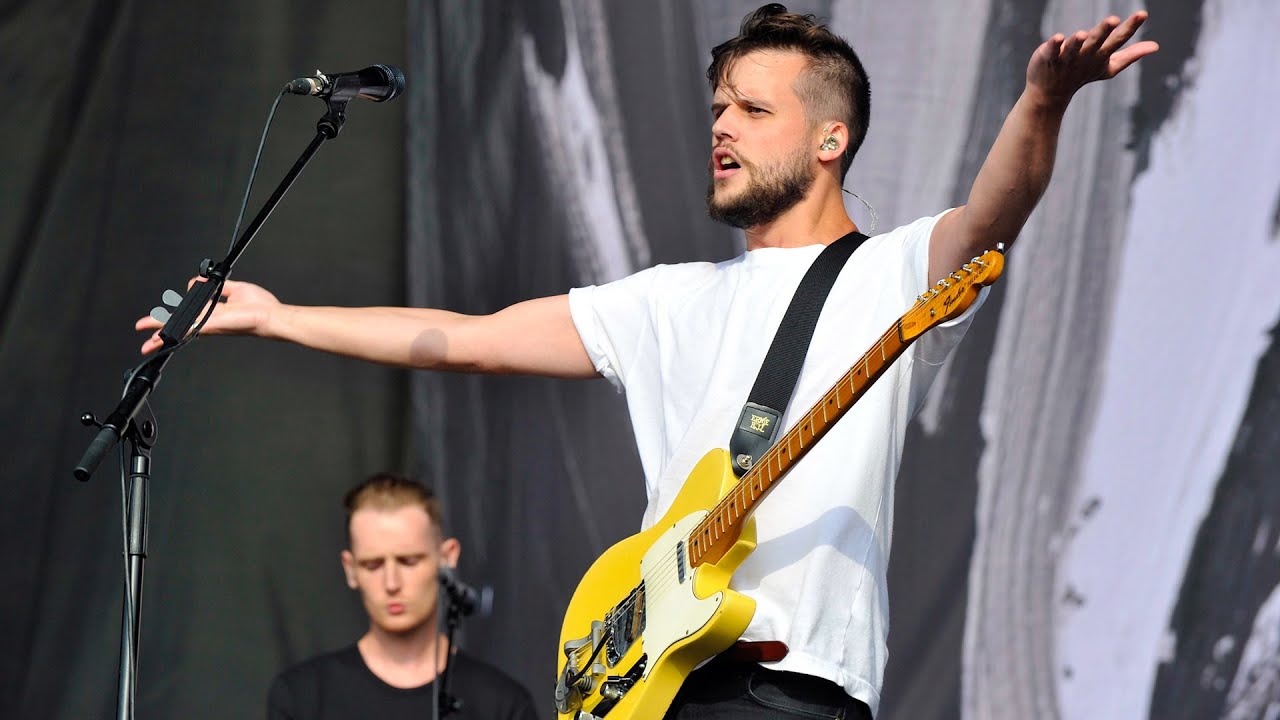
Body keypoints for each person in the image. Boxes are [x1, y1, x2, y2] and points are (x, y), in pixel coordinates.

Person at [142, 5, 1157, 717]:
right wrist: (280, 318)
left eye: (752, 110)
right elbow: (474, 339)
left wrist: (1041, 103)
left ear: (829, 139)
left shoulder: (890, 272)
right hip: (648, 681)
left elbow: (991, 218)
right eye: (717, 108)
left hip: (788, 685)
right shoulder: (668, 299)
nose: (721, 126)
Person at [266, 472, 537, 720]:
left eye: (409, 561)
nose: (391, 583)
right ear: (350, 570)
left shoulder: (503, 703)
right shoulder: (301, 697)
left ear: (447, 557)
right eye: (372, 565)